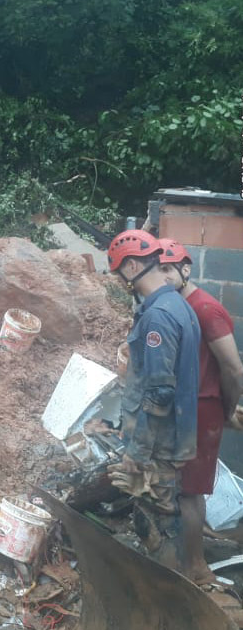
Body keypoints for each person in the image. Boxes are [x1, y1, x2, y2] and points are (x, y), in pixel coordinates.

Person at [106, 229, 201, 570]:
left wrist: (137, 451)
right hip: (170, 437)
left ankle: (170, 597)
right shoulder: (177, 304)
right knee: (164, 512)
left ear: (131, 267)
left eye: (118, 272)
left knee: (159, 520)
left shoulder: (158, 316)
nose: (118, 281)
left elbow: (160, 393)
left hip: (159, 443)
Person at [158, 238, 243, 585]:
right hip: (182, 408)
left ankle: (196, 567)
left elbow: (233, 368)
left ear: (186, 269)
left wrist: (226, 408)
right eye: (156, 269)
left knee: (191, 492)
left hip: (203, 407)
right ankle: (179, 558)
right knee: (179, 489)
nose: (161, 276)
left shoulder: (205, 308)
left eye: (167, 269)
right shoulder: (175, 305)